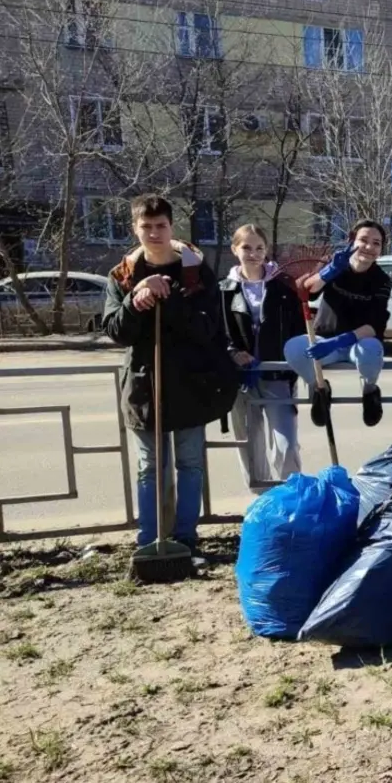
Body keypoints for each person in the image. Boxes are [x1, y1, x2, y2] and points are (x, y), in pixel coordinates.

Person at [102, 194, 240, 553]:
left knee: (190, 464)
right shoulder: (123, 275)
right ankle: (149, 542)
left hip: (191, 385)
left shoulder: (195, 271)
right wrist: (136, 301)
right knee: (150, 467)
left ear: (171, 226)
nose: (153, 233)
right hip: (144, 388)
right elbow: (116, 331)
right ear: (135, 229)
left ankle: (185, 538)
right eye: (145, 226)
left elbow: (207, 329)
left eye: (160, 225)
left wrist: (171, 297)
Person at [219, 224, 306, 492]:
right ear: (235, 249)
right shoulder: (223, 290)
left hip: (277, 374)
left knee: (286, 444)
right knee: (249, 444)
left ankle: (289, 498)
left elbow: (298, 331)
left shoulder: (282, 288)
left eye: (259, 248)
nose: (253, 254)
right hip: (241, 379)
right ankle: (261, 500)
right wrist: (232, 351)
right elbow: (216, 332)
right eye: (246, 247)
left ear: (266, 250)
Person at [286, 220, 391, 427]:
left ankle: (370, 390)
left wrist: (338, 341)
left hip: (357, 343)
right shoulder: (332, 262)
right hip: (323, 338)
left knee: (371, 349)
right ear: (351, 240)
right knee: (293, 347)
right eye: (363, 240)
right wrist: (329, 272)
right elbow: (306, 290)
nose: (369, 247)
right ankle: (320, 389)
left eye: (376, 243)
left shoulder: (382, 280)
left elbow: (374, 326)